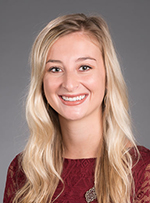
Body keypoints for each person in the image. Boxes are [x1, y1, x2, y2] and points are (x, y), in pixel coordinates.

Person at [3, 13, 150, 203]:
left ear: (107, 76)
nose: (70, 84)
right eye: (55, 69)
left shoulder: (142, 169)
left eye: (84, 67)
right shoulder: (22, 171)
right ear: (41, 82)